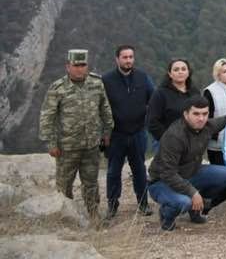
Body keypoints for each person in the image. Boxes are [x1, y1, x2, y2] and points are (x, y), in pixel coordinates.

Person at [39, 49, 114, 219]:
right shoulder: (58, 88)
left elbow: (105, 109)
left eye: (83, 65)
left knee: (91, 183)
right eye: (76, 65)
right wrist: (51, 143)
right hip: (67, 147)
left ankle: (94, 215)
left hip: (91, 146)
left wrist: (107, 132)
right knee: (64, 185)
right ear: (68, 66)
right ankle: (65, 217)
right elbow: (47, 116)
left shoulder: (96, 84)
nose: (80, 69)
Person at [147, 97, 226, 231]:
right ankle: (166, 216)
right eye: (196, 114)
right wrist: (193, 193)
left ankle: (195, 209)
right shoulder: (175, 136)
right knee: (184, 201)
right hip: (162, 182)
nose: (201, 118)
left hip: (190, 173)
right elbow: (168, 173)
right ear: (186, 114)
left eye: (205, 114)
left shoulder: (207, 126)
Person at [102, 44, 155, 218]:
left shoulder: (142, 78)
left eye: (131, 57)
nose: (128, 60)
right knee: (113, 171)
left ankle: (143, 204)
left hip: (138, 133)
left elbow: (153, 100)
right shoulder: (106, 80)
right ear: (117, 59)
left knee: (139, 169)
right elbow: (100, 107)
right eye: (124, 57)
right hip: (116, 134)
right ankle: (112, 205)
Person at [147, 58, 200, 144]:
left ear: (188, 72)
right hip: (167, 143)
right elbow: (152, 122)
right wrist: (168, 139)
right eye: (176, 70)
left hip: (191, 142)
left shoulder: (195, 93)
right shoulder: (160, 94)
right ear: (170, 74)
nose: (180, 72)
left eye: (183, 69)